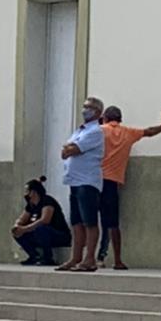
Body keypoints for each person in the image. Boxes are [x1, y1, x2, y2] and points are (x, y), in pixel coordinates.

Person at [96, 105, 161, 270]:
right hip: (112, 181)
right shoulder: (128, 133)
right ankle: (117, 259)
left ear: (105, 118)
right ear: (120, 119)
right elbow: (149, 131)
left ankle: (91, 258)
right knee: (112, 223)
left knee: (91, 221)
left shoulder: (99, 131)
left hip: (94, 180)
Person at [57, 96, 105, 272]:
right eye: (85, 106)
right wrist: (68, 149)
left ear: (98, 112)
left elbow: (74, 149)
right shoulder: (79, 131)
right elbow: (65, 151)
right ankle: (75, 257)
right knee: (76, 221)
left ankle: (90, 258)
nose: (85, 110)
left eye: (90, 107)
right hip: (74, 181)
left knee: (90, 221)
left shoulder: (95, 131)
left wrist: (69, 149)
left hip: (88, 181)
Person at [11, 177, 72, 266]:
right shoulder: (31, 205)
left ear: (33, 192)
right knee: (17, 233)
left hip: (59, 235)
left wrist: (25, 228)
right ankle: (34, 256)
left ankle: (48, 258)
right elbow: (22, 219)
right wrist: (17, 226)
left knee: (41, 228)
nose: (26, 194)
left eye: (27, 191)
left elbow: (45, 220)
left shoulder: (47, 201)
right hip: (40, 235)